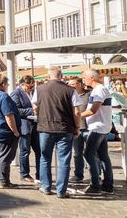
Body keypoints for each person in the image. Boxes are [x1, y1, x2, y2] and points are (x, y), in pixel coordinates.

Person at [32, 67, 81, 198]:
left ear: (48, 76)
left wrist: (42, 115)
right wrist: (77, 127)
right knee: (64, 160)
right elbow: (76, 112)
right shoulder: (70, 90)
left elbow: (35, 107)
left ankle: (46, 187)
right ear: (61, 76)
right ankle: (61, 191)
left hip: (45, 128)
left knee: (44, 158)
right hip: (65, 128)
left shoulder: (40, 89)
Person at [78, 69, 114, 195]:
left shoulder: (99, 90)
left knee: (88, 154)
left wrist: (78, 116)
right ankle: (108, 184)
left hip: (98, 127)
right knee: (103, 155)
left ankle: (95, 185)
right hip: (101, 126)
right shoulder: (99, 89)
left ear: (92, 78)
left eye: (84, 78)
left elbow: (93, 110)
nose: (83, 80)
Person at [11, 75, 40, 184]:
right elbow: (16, 110)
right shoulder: (16, 93)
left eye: (32, 86)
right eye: (29, 86)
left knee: (39, 150)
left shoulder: (33, 92)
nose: (31, 88)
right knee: (25, 151)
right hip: (24, 127)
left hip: (35, 125)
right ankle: (24, 174)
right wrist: (32, 110)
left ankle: (40, 174)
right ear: (22, 84)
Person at [67, 78, 90, 183]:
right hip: (77, 128)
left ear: (80, 84)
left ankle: (95, 175)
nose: (70, 86)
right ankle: (78, 175)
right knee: (77, 153)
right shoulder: (70, 96)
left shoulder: (89, 95)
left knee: (91, 153)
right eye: (69, 84)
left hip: (89, 128)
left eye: (73, 84)